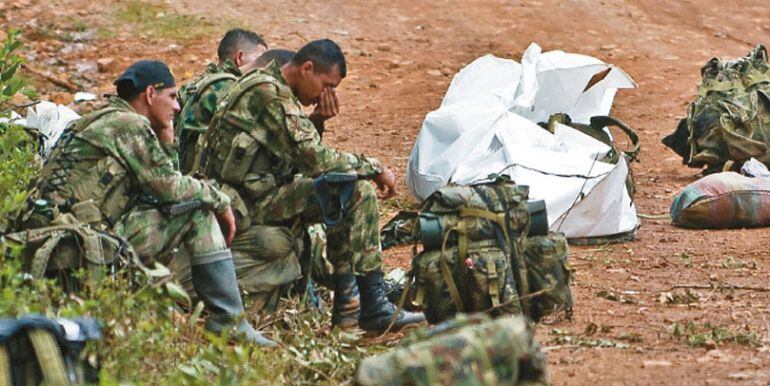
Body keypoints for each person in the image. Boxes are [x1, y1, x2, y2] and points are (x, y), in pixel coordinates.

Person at [35, 60, 275, 347]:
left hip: (60, 238)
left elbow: (162, 187)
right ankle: (230, 322)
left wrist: (167, 139)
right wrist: (219, 200)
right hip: (78, 243)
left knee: (186, 204)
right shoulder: (129, 125)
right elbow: (170, 188)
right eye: (172, 97)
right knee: (198, 212)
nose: (176, 107)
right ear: (150, 94)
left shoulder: (104, 118)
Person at [198, 39, 425, 332]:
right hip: (245, 203)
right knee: (358, 191)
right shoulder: (269, 94)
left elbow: (296, 155)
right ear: (307, 68)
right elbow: (316, 159)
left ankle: (352, 308)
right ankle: (370, 305)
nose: (327, 95)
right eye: (327, 85)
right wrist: (375, 167)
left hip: (251, 195)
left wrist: (317, 120)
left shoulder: (268, 84)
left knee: (344, 189)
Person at [175, 28, 268, 174]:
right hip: (203, 182)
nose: (265, 66)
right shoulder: (231, 89)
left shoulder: (200, 82)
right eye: (261, 59)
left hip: (180, 171)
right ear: (240, 57)